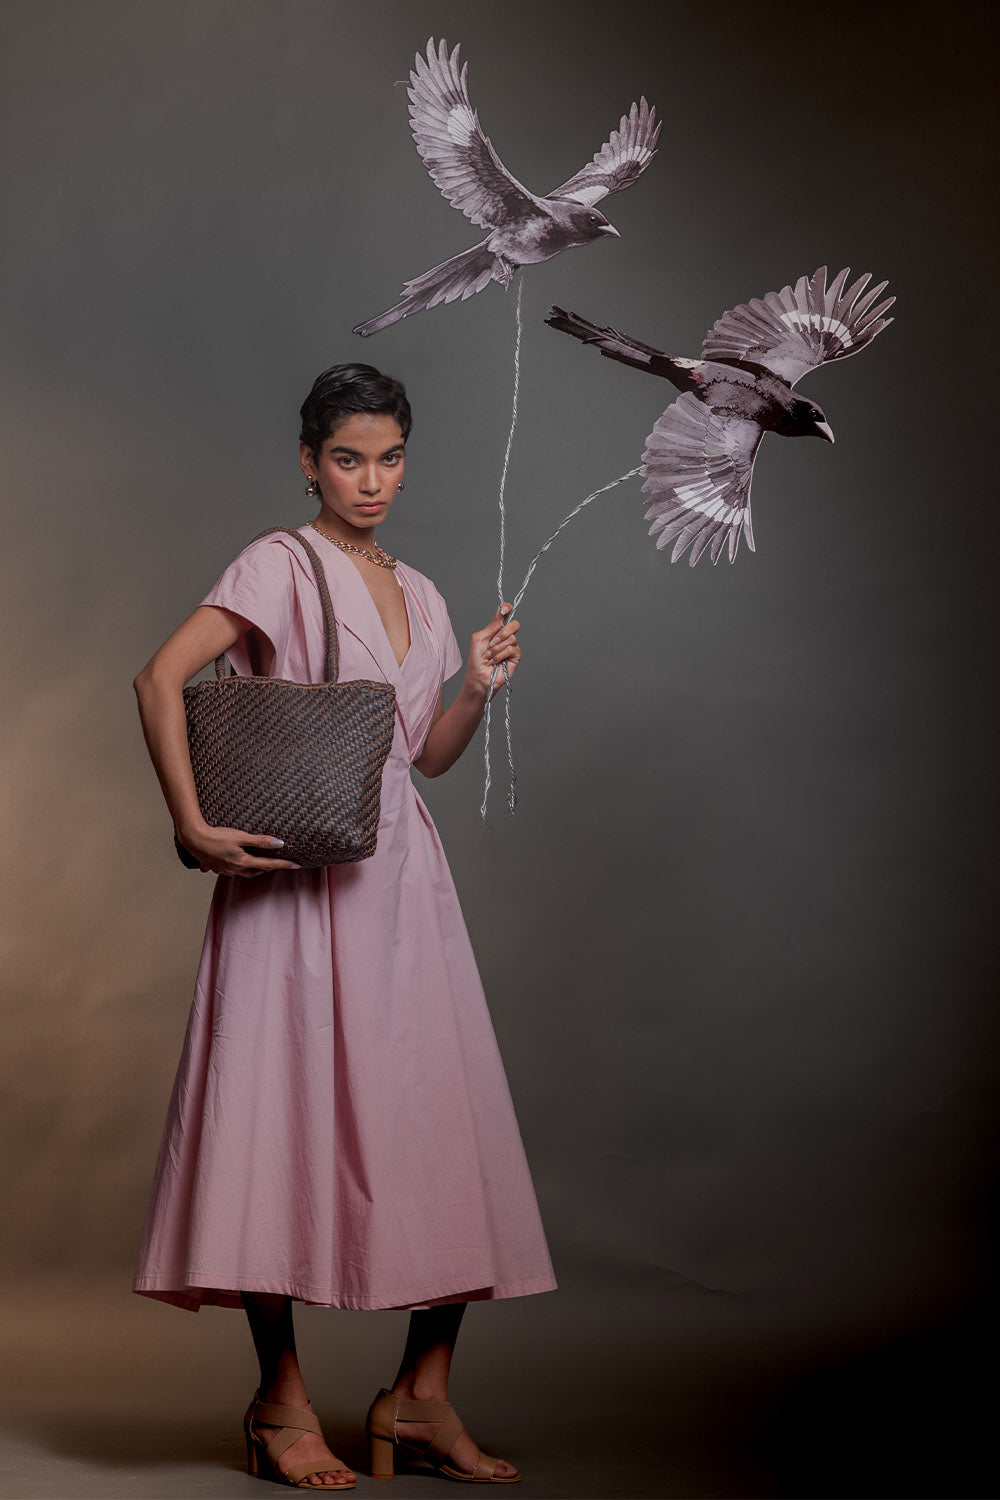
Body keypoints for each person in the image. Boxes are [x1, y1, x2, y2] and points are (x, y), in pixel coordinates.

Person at [132, 364, 556, 1489]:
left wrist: (475, 687)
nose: (371, 481)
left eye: (390, 458)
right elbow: (159, 677)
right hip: (291, 881)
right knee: (269, 1123)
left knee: (441, 1121)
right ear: (310, 461)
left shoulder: (420, 588)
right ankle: (279, 1402)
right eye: (348, 459)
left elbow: (422, 758)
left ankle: (420, 1396)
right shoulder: (277, 562)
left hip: (402, 883)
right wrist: (192, 823)